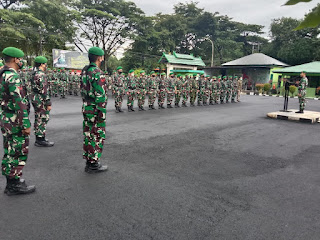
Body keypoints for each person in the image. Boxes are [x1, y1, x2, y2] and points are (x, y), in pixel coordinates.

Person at [0, 47, 36, 195]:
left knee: (9, 150)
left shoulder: (2, 73)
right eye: (20, 59)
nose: (21, 62)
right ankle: (14, 185)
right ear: (15, 60)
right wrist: (26, 124)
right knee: (18, 151)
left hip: (6, 118)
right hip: (15, 120)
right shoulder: (12, 76)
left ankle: (11, 181)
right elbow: (19, 102)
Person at [80, 46, 108, 173]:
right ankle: (93, 163)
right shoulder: (97, 72)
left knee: (88, 134)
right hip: (96, 109)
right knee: (97, 135)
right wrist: (102, 113)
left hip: (87, 107)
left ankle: (89, 160)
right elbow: (100, 95)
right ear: (99, 58)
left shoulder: (85, 71)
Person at [31, 56, 54, 147]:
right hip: (41, 99)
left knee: (38, 117)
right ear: (41, 64)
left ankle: (40, 138)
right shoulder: (41, 74)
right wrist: (48, 102)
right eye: (45, 64)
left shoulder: (34, 73)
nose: (46, 65)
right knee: (42, 117)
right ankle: (40, 139)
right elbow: (44, 90)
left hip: (35, 98)